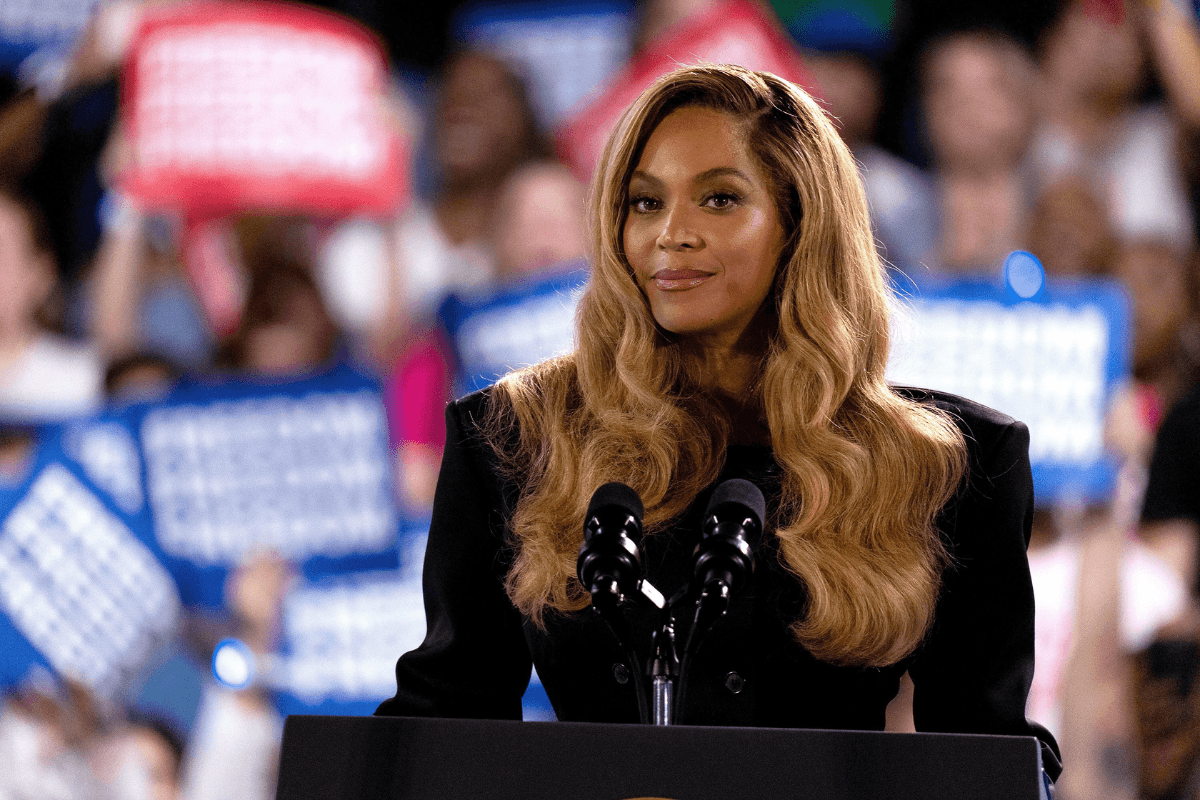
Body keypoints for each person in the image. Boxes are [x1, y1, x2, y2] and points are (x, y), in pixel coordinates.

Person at [376, 63, 1062, 781]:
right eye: (644, 203)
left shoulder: (950, 466)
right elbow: (442, 727)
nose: (672, 234)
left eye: (720, 199)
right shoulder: (515, 441)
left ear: (801, 223)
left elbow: (988, 760)